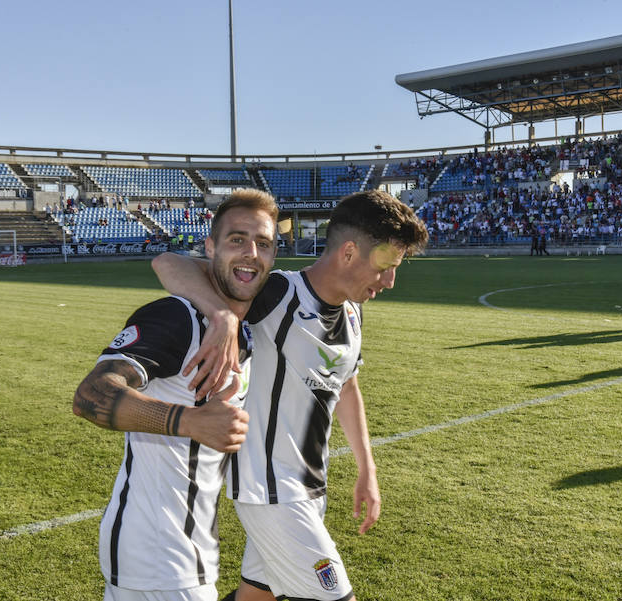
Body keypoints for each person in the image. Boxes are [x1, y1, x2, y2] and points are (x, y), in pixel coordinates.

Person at [152, 190, 429, 601]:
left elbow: (347, 386)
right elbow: (168, 263)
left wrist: (366, 470)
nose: (390, 280)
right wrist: (223, 313)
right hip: (271, 491)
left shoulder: (353, 314)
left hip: (309, 487)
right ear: (349, 252)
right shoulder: (278, 293)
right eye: (387, 264)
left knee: (256, 595)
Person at [73, 189, 279, 601]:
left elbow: (169, 263)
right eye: (236, 240)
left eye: (263, 244)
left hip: (192, 554)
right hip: (154, 561)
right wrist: (189, 422)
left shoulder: (253, 327)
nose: (251, 253)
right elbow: (91, 394)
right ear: (209, 248)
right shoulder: (177, 318)